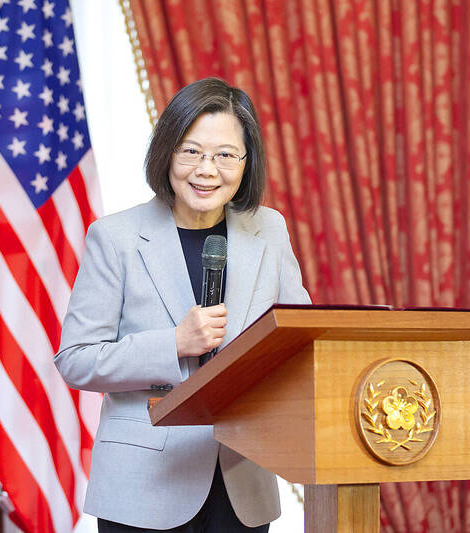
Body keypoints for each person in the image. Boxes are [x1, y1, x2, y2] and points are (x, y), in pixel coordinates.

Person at [55, 77, 311, 532]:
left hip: (241, 482)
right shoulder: (115, 238)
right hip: (144, 485)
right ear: (166, 152)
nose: (207, 169)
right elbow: (75, 360)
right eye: (190, 151)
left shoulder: (268, 229)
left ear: (246, 163)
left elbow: (299, 340)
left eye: (225, 155)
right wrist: (174, 343)